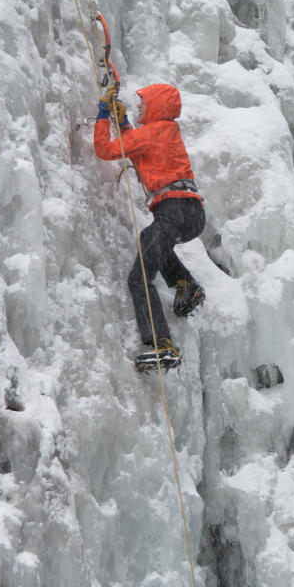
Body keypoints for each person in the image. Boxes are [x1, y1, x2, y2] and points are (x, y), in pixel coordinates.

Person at [93, 82, 206, 371]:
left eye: (144, 105)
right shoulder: (165, 132)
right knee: (150, 238)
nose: (140, 108)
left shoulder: (155, 131)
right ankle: (185, 284)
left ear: (156, 108)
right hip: (190, 213)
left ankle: (162, 345)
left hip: (173, 211)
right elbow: (139, 148)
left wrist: (104, 114)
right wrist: (125, 122)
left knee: (138, 278)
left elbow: (106, 150)